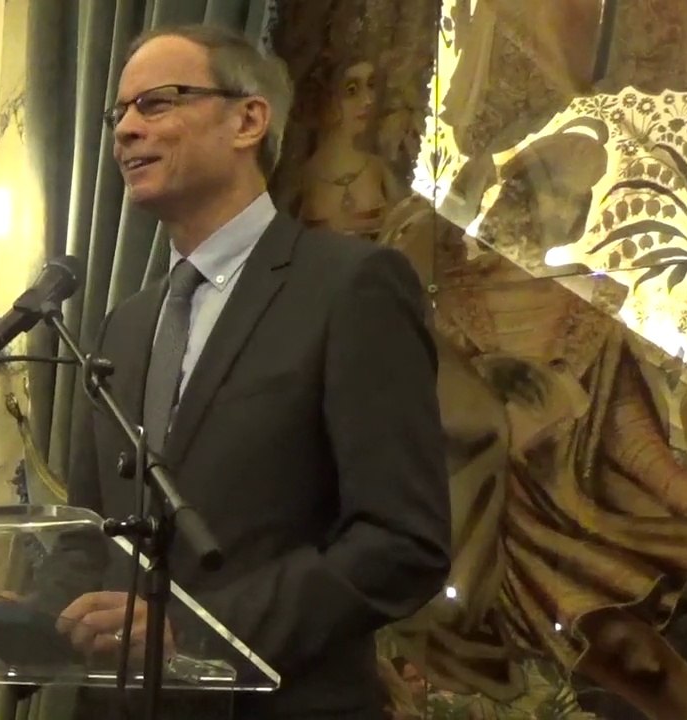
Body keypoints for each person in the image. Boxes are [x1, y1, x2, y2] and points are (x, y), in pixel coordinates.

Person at [42, 23, 451, 719]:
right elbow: (92, 529)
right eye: (119, 113)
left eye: (158, 103)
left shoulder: (351, 286)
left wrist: (194, 632)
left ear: (248, 120)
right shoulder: (125, 323)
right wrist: (39, 614)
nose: (126, 131)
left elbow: (400, 540)